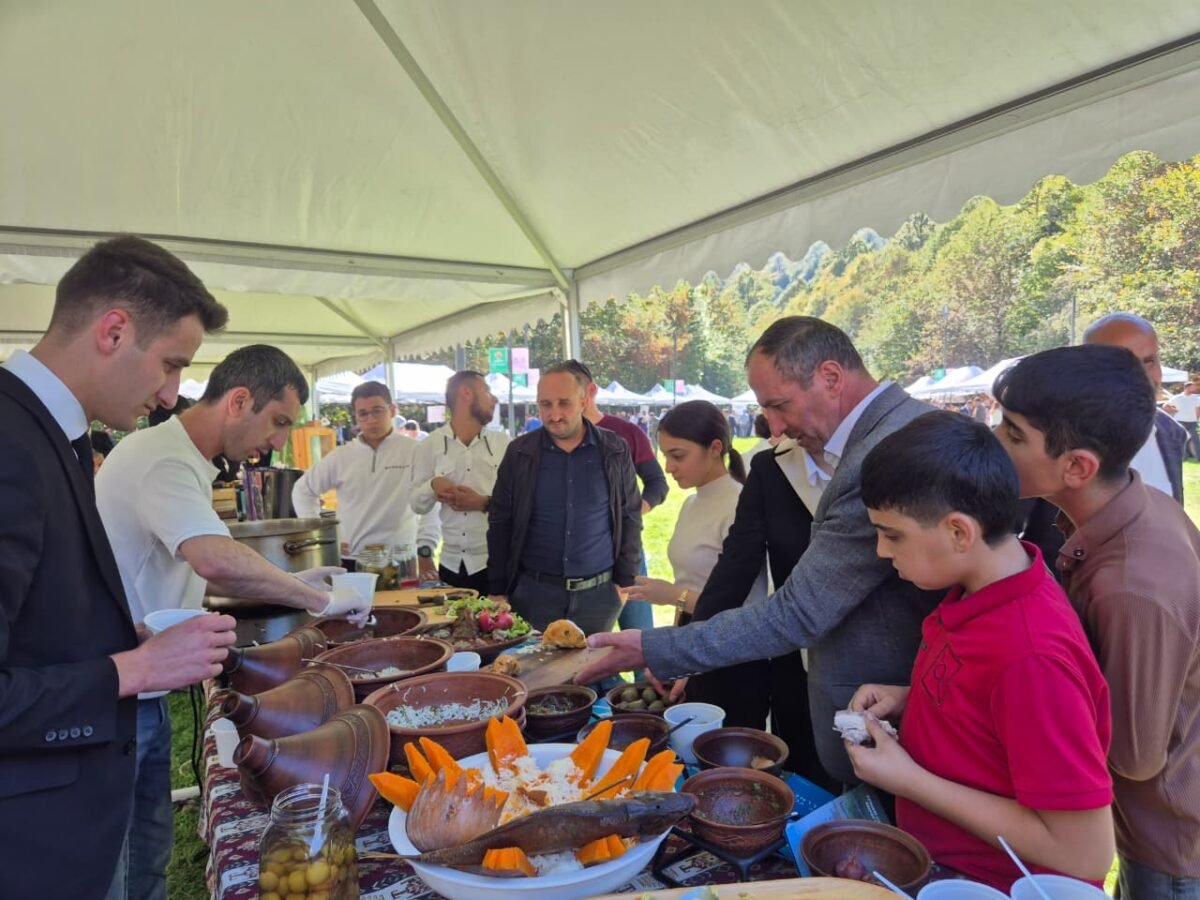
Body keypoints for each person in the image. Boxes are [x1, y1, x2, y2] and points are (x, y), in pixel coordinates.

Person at [577, 317, 941, 785]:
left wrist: (656, 647)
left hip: (895, 714)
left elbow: (801, 610)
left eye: (779, 405)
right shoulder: (876, 438)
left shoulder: (886, 451)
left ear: (831, 377)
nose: (773, 426)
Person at [0, 235, 240, 899]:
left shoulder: (55, 434)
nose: (170, 396)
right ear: (113, 331)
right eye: (171, 365)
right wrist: (134, 668)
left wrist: (118, 640)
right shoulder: (11, 442)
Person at [96, 345, 367, 900]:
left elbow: (205, 557)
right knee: (118, 862)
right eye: (278, 422)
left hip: (141, 686)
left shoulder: (184, 459)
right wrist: (316, 602)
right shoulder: (164, 459)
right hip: (119, 686)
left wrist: (298, 583)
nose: (278, 441)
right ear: (239, 401)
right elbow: (214, 558)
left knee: (147, 846)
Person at [845, 411, 1114, 889]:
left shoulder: (1031, 656)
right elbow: (990, 705)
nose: (882, 552)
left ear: (958, 532)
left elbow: (1085, 854)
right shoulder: (982, 590)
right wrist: (914, 696)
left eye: (892, 534)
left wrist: (906, 779)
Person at [992, 345, 1200, 899]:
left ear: (1077, 467)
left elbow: (1133, 754)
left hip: (1170, 844)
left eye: (1013, 434)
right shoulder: (1137, 507)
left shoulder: (1132, 584)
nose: (995, 442)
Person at [487, 363, 641, 635]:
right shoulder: (520, 452)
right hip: (534, 595)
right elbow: (501, 520)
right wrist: (498, 589)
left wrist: (623, 584)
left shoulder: (614, 449)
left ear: (584, 400)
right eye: (545, 404)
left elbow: (630, 515)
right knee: (536, 673)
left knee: (591, 674)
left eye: (564, 403)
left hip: (600, 597)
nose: (554, 414)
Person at [293, 382, 441, 579]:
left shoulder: (415, 451)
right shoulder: (342, 456)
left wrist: (426, 548)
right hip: (352, 559)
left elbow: (432, 502)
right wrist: (323, 541)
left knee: (404, 609)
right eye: (363, 414)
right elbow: (302, 491)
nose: (371, 419)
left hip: (401, 559)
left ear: (392, 410)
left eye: (377, 411)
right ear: (356, 416)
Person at [562, 359, 668, 632]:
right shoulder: (554, 441)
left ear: (591, 391)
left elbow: (657, 483)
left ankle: (647, 676)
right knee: (591, 642)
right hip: (581, 559)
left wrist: (632, 513)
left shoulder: (627, 432)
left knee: (638, 632)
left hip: (627, 548)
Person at [411, 371, 510, 594]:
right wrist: (433, 485)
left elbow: (522, 502)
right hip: (450, 566)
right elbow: (416, 504)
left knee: (499, 627)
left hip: (495, 564)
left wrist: (483, 502)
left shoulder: (503, 443)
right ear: (466, 393)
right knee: (453, 627)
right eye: (487, 391)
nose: (494, 399)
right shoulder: (430, 445)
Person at [1084, 312, 1188, 503]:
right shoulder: (1051, 435)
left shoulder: (1171, 432)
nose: (1142, 377)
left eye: (1149, 361)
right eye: (1122, 364)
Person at [1166, 381, 1199, 460]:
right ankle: (1183, 457)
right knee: (1182, 439)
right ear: (1187, 387)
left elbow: (1198, 409)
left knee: (1195, 439)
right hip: (1180, 421)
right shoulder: (1177, 397)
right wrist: (1174, 409)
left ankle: (1199, 457)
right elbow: (1166, 405)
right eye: (1193, 387)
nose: (1195, 388)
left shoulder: (1196, 398)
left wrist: (1196, 419)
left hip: (1192, 422)